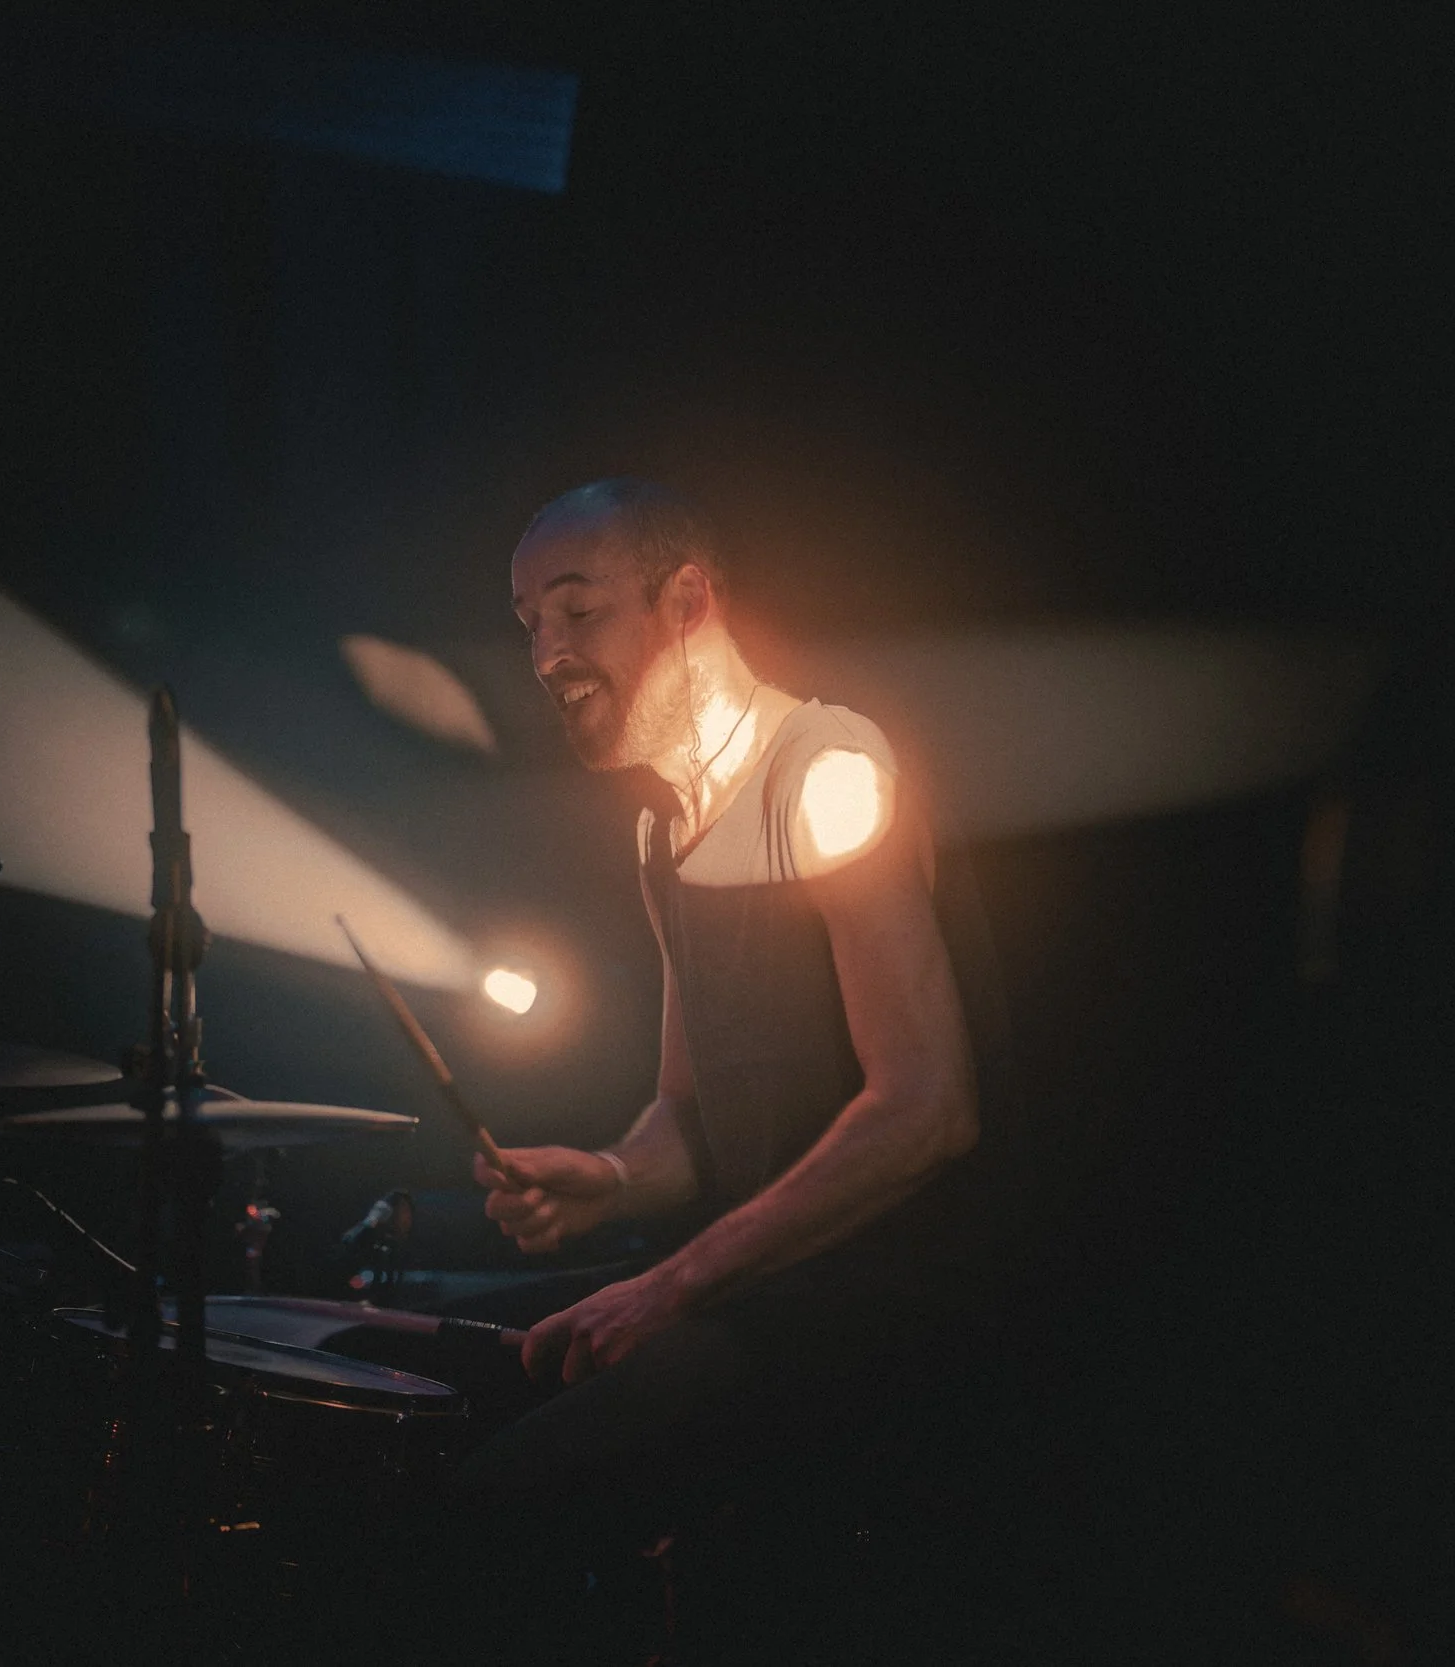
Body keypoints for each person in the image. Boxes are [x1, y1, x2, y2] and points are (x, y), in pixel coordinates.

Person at [426, 478, 1019, 1651]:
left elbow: (928, 1108)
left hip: (881, 1305)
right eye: (526, 621)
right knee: (439, 1371)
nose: (546, 654)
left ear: (686, 599)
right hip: (756, 1288)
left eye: (577, 611)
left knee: (487, 1508)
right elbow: (688, 1121)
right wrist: (607, 1171)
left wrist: (669, 1284)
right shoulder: (662, 831)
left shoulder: (826, 770)